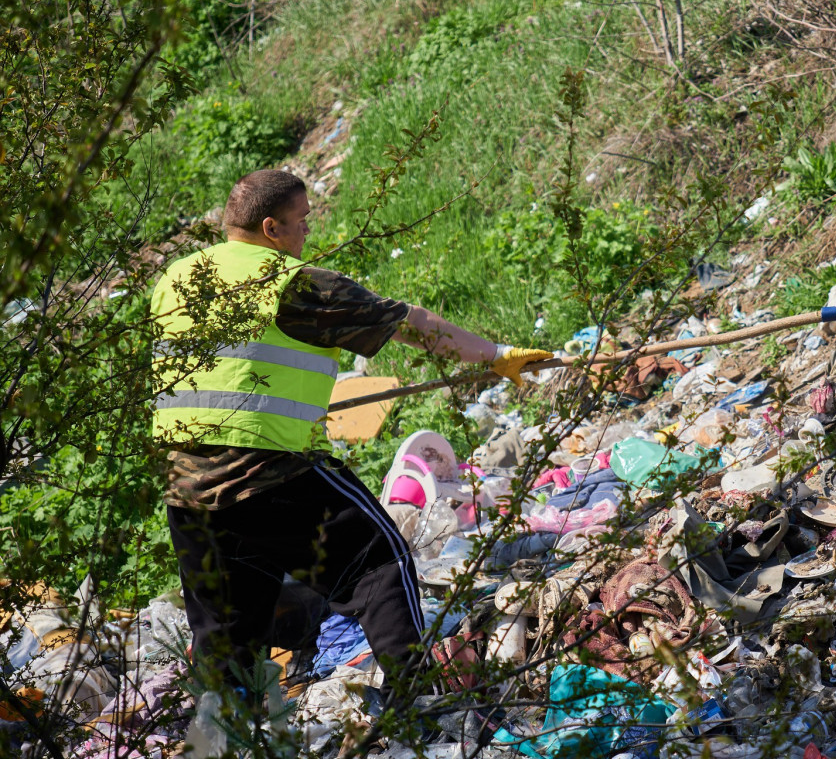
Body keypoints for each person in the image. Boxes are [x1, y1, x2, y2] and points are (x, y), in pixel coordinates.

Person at [149, 169, 550, 701]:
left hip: (189, 488)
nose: (306, 233)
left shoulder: (175, 278)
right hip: (270, 471)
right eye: (302, 221)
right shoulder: (288, 283)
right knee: (381, 563)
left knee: (228, 639)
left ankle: (223, 739)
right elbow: (407, 322)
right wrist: (497, 357)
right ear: (271, 227)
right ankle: (419, 704)